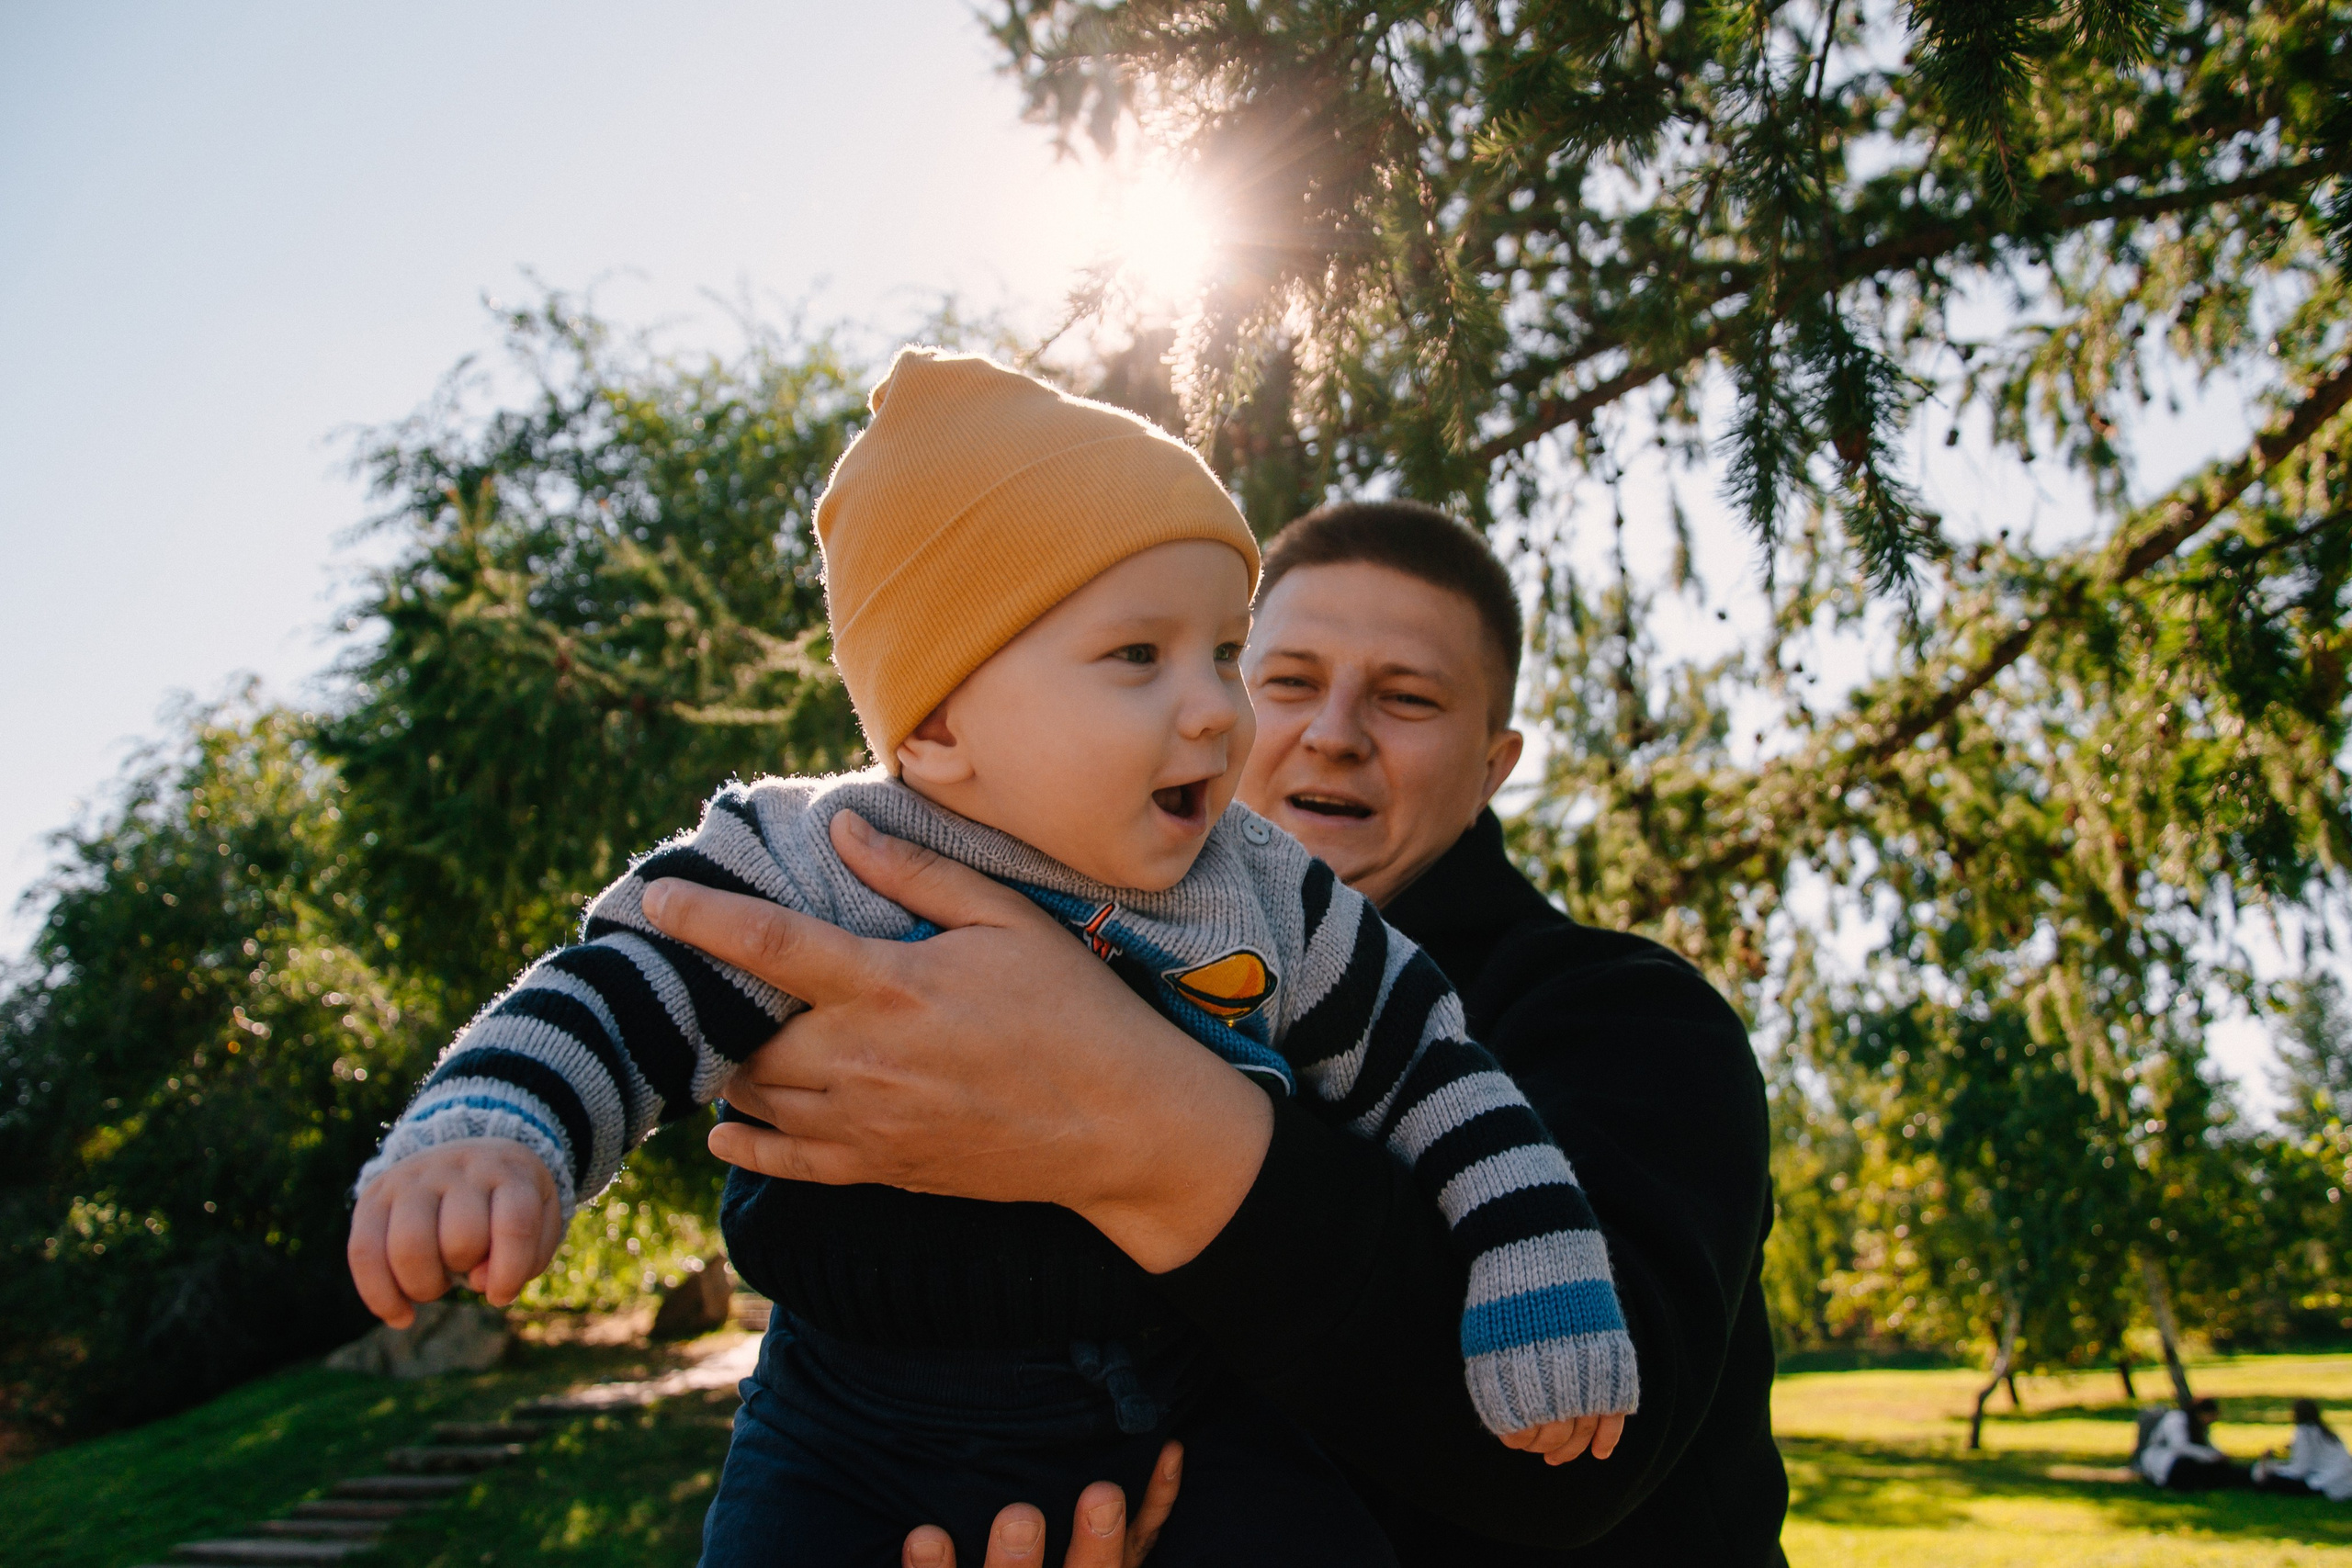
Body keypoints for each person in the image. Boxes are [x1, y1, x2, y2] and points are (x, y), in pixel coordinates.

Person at [343, 353, 1636, 1568]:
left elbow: (1438, 1072)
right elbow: (622, 989)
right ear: (945, 717)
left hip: (1184, 1407)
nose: (1215, 707)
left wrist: (1540, 1263)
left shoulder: (1266, 896)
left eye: (1224, 653)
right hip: (852, 1424)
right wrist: (496, 1122)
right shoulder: (819, 854)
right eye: (1141, 653)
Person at [684, 499, 1789, 1565]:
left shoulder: (1630, 1018)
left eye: (1404, 698)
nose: (1333, 734)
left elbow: (1585, 1457)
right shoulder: (1041, 937)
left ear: (1494, 767)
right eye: (1286, 681)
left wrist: (1146, 1125)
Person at [2253, 1399, 2352, 1499]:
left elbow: (2299, 1470)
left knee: (2270, 1478)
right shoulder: (2327, 1432)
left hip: (2325, 1482)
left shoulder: (2304, 1432)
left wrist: (2269, 1465)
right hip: (2345, 1477)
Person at [2141, 1396, 2245, 1491]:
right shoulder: (2176, 1419)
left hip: (2183, 1460)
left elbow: (2207, 1446)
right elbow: (2180, 1447)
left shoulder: (2198, 1426)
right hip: (2164, 1462)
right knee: (2188, 1466)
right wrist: (2210, 1456)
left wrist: (2218, 1455)